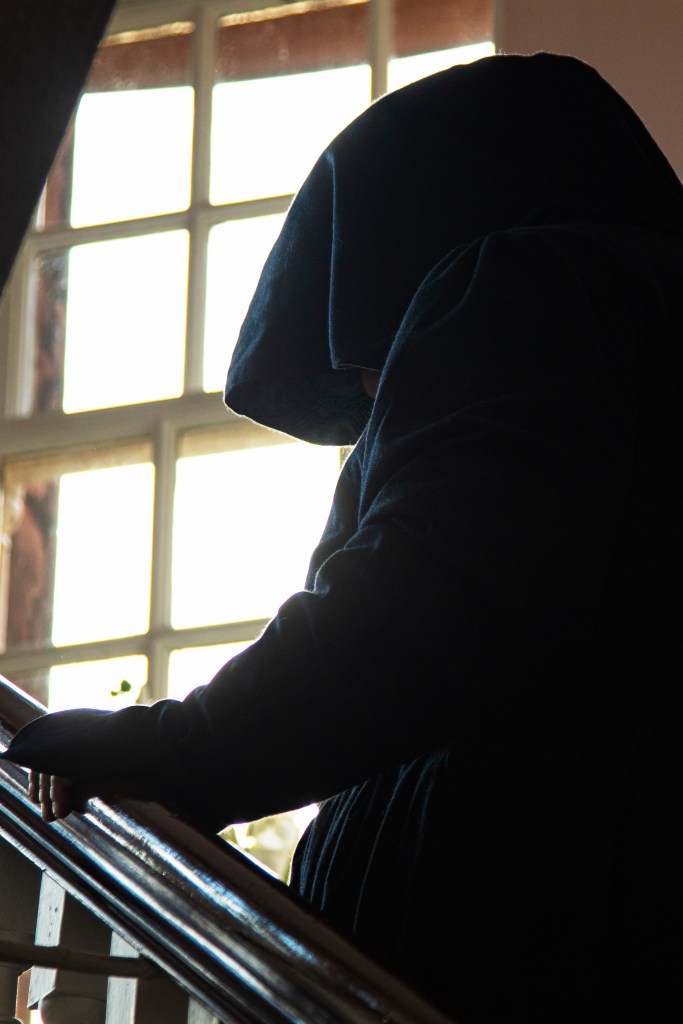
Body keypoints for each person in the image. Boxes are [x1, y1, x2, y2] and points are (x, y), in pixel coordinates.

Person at [2, 53, 683, 1022]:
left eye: (378, 371)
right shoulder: (637, 305)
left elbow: (436, 595)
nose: (382, 401)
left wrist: (183, 748)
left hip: (525, 930)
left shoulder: (533, 278)